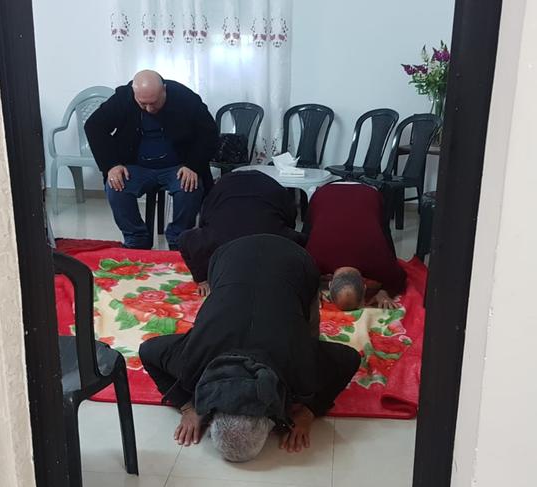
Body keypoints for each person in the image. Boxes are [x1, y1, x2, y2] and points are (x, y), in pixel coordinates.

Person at [139, 234, 361, 461]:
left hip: (294, 261)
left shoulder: (301, 368)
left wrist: (310, 411)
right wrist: (187, 406)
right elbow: (147, 351)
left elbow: (350, 359)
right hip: (228, 256)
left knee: (308, 332)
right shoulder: (190, 364)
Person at [84, 70, 219, 250]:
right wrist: (112, 165)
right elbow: (94, 126)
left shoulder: (185, 97)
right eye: (142, 104)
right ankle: (136, 239)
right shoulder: (124, 97)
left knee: (190, 186)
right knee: (116, 186)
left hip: (178, 166)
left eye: (153, 103)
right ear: (134, 93)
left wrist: (192, 165)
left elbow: (209, 133)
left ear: (164, 90)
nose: (149, 109)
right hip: (136, 167)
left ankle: (179, 239)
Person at [178, 170, 306, 296]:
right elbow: (184, 241)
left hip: (260, 189)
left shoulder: (278, 238)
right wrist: (201, 279)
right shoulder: (215, 239)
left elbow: (184, 240)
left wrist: (202, 280)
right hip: (239, 188)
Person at [304, 181, 407, 311]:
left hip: (334, 191)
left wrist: (312, 288)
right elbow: (398, 278)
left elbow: (399, 277)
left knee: (382, 230)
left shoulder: (311, 261)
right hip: (359, 191)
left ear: (329, 285)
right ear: (365, 286)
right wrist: (385, 291)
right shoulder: (380, 262)